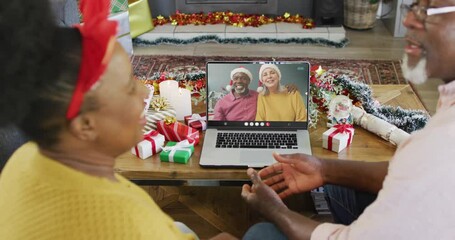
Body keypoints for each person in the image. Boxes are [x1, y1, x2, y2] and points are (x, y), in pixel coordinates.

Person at [0, 1, 235, 239]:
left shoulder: (22, 158)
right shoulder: (131, 222)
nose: (145, 92)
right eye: (129, 88)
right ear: (85, 125)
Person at [242, 0, 455, 239]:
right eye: (413, 6)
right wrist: (324, 169)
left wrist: (274, 211)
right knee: (334, 182)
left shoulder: (444, 143)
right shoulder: (447, 106)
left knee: (260, 233)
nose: (407, 21)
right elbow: (409, 168)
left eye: (427, 11)